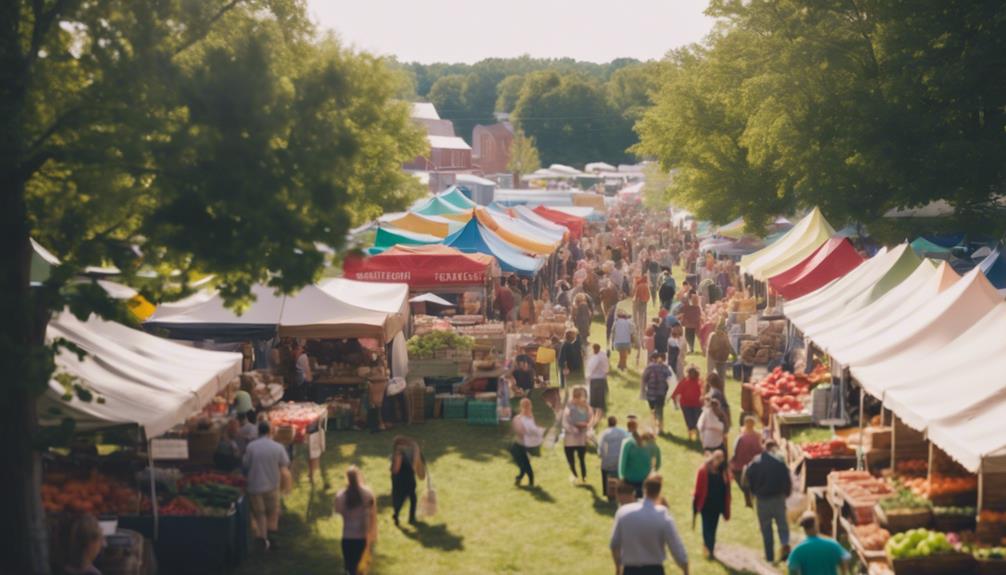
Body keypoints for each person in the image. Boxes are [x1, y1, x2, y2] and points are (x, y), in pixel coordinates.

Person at [610, 474, 691, 575]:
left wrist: (618, 568)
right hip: (654, 570)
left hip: (630, 570)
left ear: (644, 489)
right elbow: (676, 547)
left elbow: (614, 544)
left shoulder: (623, 512)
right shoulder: (663, 515)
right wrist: (685, 570)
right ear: (659, 492)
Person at [243, 420, 290, 550]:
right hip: (272, 485)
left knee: (259, 514)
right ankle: (272, 539)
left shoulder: (251, 447)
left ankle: (262, 539)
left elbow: (246, 465)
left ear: (258, 432)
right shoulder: (278, 447)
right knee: (272, 513)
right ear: (270, 431)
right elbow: (285, 464)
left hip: (255, 485)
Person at [744, 440, 793, 563]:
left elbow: (746, 479)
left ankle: (769, 556)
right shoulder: (779, 462)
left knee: (766, 528)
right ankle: (785, 546)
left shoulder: (755, 462)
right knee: (782, 525)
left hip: (762, 500)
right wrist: (786, 493)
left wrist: (751, 493)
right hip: (778, 497)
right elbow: (787, 479)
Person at [334, 466, 377, 575]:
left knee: (349, 567)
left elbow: (338, 510)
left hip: (347, 537)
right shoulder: (367, 494)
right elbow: (372, 512)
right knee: (360, 568)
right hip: (362, 537)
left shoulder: (341, 496)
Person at [693, 450, 731, 559]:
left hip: (717, 505)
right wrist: (696, 502)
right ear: (713, 458)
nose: (719, 461)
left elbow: (727, 488)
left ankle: (710, 548)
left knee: (713, 527)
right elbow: (698, 488)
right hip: (706, 504)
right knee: (706, 527)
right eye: (718, 458)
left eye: (721, 459)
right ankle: (708, 548)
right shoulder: (704, 470)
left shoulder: (723, 472)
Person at [619, 420, 662, 498]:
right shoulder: (653, 446)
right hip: (645, 478)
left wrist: (621, 476)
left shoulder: (628, 443)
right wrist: (652, 470)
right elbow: (658, 464)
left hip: (629, 478)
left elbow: (622, 462)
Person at [390, 436, 425, 526]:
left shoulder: (396, 453)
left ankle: (397, 515)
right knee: (412, 498)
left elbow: (394, 470)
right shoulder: (400, 454)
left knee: (399, 498)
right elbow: (397, 468)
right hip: (407, 479)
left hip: (397, 480)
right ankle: (411, 518)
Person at [562, 387, 593, 484]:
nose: (580, 399)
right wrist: (575, 429)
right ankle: (575, 475)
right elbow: (565, 423)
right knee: (571, 460)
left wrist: (587, 429)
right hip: (570, 440)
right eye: (578, 397)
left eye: (580, 397)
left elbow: (589, 421)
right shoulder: (568, 408)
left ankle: (583, 477)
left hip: (580, 439)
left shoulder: (586, 407)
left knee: (581, 460)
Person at [510, 398, 543, 486]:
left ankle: (521, 480)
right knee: (525, 467)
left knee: (524, 467)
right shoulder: (517, 419)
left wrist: (536, 432)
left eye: (529, 406)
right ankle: (528, 483)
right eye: (525, 406)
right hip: (517, 448)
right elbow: (520, 433)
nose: (528, 408)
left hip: (527, 447)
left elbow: (534, 430)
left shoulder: (531, 417)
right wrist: (531, 432)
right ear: (521, 407)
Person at [598, 415, 629, 500]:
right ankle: (619, 491)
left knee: (604, 471)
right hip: (620, 459)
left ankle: (606, 491)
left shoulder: (604, 433)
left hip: (608, 460)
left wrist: (601, 456)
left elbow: (601, 447)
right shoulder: (623, 432)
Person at [642, 352, 673, 435]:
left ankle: (654, 428)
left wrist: (643, 390)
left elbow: (644, 379)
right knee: (660, 411)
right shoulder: (664, 367)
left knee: (653, 411)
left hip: (651, 393)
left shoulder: (649, 368)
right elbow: (670, 377)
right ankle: (660, 428)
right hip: (661, 393)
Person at [730, 416, 764, 492]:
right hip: (744, 459)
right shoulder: (743, 434)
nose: (749, 425)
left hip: (750, 459)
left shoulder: (757, 434)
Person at [671, 366, 704, 442]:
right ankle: (692, 438)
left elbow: (704, 392)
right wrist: (675, 402)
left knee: (697, 421)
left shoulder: (700, 381)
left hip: (697, 405)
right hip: (687, 405)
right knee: (690, 421)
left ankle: (697, 437)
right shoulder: (684, 381)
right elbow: (675, 392)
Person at [586, 343, 610, 422]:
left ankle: (594, 412)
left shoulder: (595, 358)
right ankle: (601, 410)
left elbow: (591, 368)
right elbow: (606, 366)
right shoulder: (603, 355)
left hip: (595, 378)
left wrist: (588, 376)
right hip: (602, 378)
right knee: (601, 396)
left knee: (594, 396)